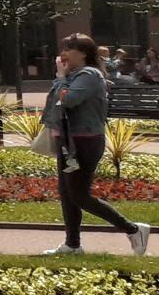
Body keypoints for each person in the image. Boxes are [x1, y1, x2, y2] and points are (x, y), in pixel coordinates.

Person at [40, 33, 151, 258]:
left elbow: (68, 99)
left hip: (85, 142)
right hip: (69, 141)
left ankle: (133, 229)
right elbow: (56, 102)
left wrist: (61, 77)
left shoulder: (89, 75)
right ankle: (72, 245)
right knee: (67, 193)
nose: (63, 53)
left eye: (68, 49)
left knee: (79, 195)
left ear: (83, 53)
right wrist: (62, 77)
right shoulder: (73, 75)